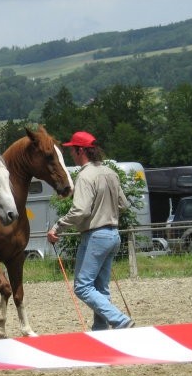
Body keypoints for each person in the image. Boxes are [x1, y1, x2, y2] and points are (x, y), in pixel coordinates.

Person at [47, 131, 134, 330]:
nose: (71, 154)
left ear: (81, 151)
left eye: (72, 150)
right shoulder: (110, 173)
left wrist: (57, 227)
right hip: (113, 235)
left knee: (83, 287)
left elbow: (80, 210)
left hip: (95, 236)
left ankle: (120, 321)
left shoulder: (85, 176)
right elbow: (123, 205)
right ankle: (101, 331)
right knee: (100, 288)